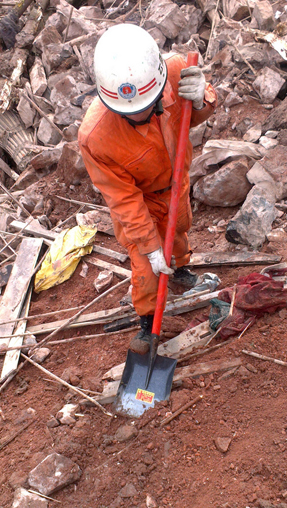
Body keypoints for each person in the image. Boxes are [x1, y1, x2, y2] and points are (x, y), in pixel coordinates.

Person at [79, 24, 217, 355]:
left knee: (180, 229)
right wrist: (152, 246)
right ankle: (147, 324)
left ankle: (181, 269)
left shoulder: (174, 72)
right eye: (130, 113)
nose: (140, 114)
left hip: (175, 181)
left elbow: (195, 115)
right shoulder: (95, 138)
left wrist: (203, 98)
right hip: (140, 200)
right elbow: (123, 201)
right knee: (145, 263)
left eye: (147, 105)